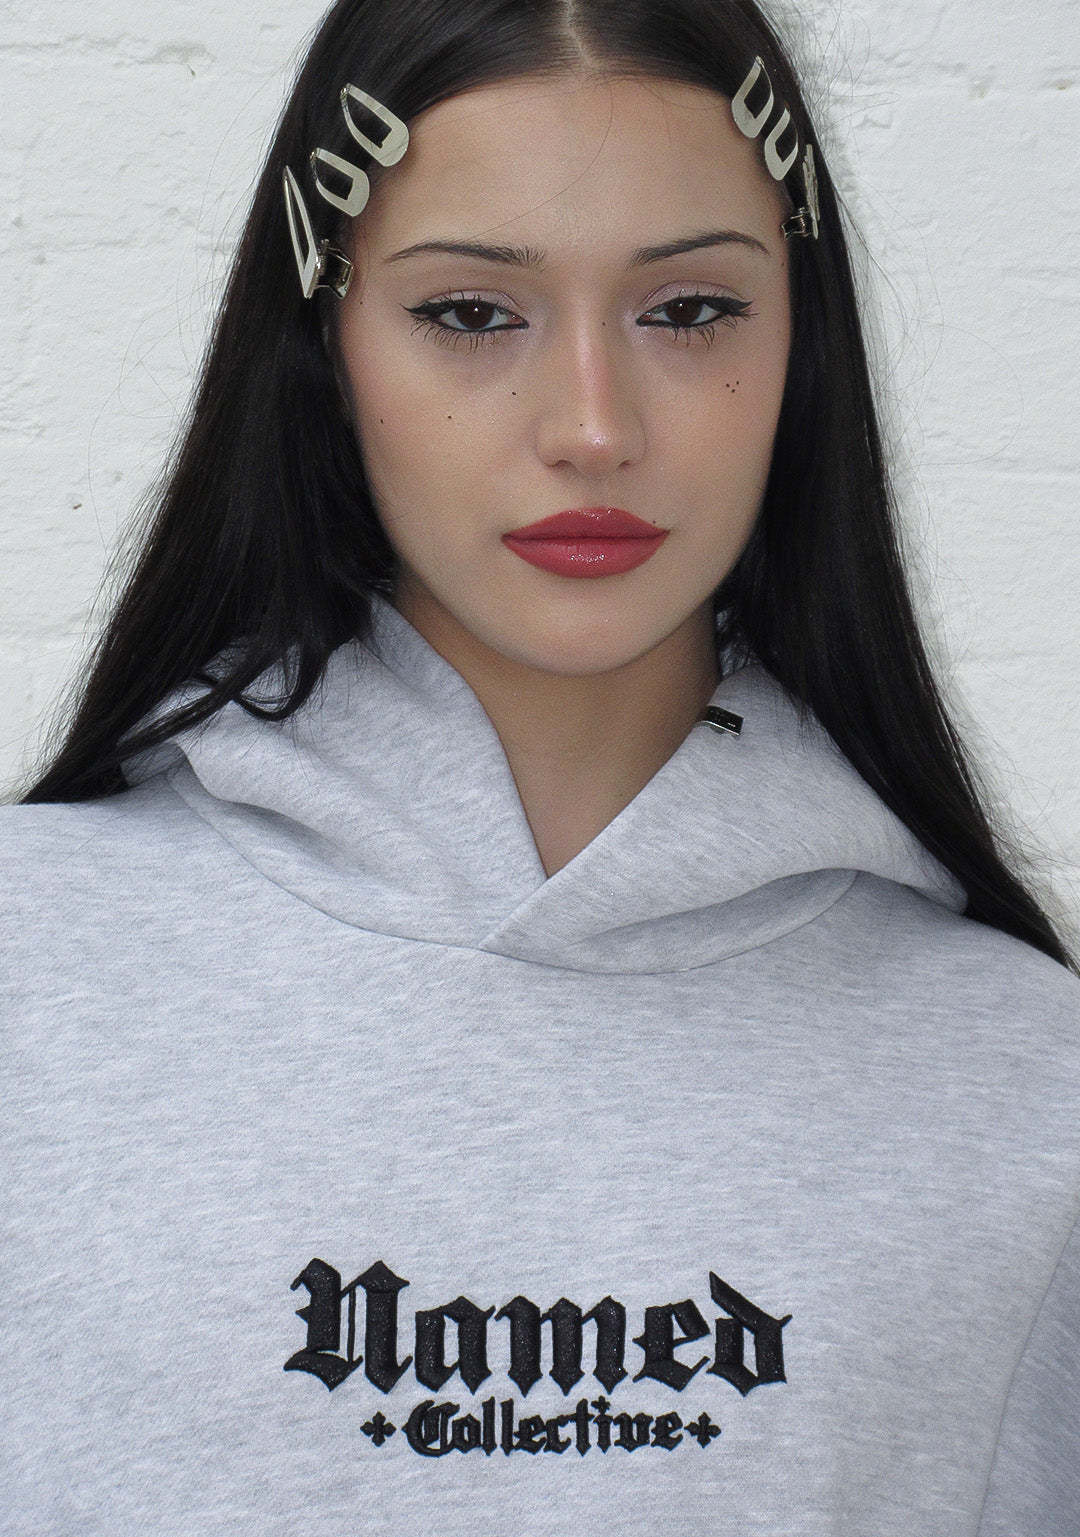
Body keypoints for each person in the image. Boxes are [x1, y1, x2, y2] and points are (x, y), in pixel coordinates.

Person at [3, 0, 1078, 1531]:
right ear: (326, 339)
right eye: (470, 311)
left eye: (689, 309)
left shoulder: (1029, 1087)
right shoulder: (30, 985)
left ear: (801, 342)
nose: (591, 425)